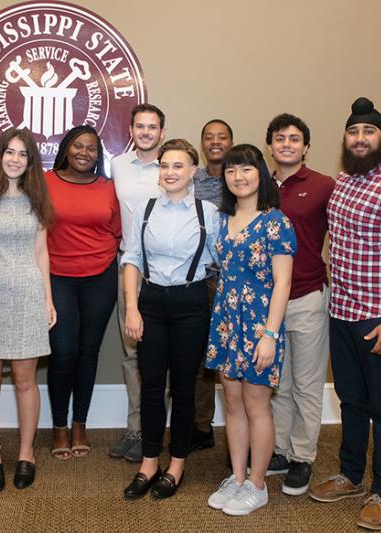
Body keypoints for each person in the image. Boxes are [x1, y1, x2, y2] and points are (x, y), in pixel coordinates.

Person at [309, 98, 381, 532]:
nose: (359, 139)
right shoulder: (344, 183)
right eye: (354, 132)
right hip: (342, 311)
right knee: (351, 401)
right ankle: (352, 476)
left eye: (368, 132)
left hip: (380, 319)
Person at [121, 139, 220, 500]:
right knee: (150, 388)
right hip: (150, 303)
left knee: (183, 389)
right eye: (164, 165)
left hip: (191, 302)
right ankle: (149, 463)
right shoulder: (146, 209)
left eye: (178, 166)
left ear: (193, 170)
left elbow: (225, 260)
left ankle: (176, 465)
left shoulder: (208, 213)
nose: (170, 172)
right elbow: (131, 259)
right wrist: (132, 307)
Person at [206, 144, 296, 516]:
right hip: (227, 320)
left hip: (260, 323)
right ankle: (238, 477)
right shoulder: (221, 220)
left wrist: (270, 335)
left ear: (260, 173)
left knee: (257, 404)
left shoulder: (276, 221)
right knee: (232, 403)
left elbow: (283, 283)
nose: (238, 177)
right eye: (231, 171)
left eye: (246, 169)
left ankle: (258, 484)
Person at [0, 128, 56, 492]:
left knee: (25, 381)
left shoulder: (37, 201)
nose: (15, 159)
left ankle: (25, 454)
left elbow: (41, 253)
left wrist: (48, 300)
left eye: (23, 154)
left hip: (26, 292)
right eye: (9, 152)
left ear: (30, 161)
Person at [265, 114, 334, 495]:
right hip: (269, 301)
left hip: (307, 296)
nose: (287, 144)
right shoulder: (259, 186)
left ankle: (302, 457)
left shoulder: (324, 186)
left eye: (294, 139)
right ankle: (278, 448)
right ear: (270, 146)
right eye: (280, 138)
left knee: (307, 383)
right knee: (279, 382)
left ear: (305, 146)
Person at [45, 125, 121, 460]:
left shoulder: (109, 187)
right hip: (56, 277)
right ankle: (59, 425)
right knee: (62, 352)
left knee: (88, 352)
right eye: (78, 146)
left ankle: (80, 424)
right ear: (66, 148)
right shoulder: (45, 182)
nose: (84, 153)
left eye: (91, 148)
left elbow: (118, 231)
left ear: (98, 154)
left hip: (100, 277)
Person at [109, 103, 166, 463]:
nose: (146, 132)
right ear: (131, 130)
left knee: (163, 356)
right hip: (128, 266)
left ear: (162, 131)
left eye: (153, 127)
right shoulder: (118, 166)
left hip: (166, 271)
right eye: (140, 126)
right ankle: (136, 428)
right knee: (132, 353)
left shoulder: (174, 165)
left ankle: (156, 428)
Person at [190, 118, 235, 452]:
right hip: (204, 278)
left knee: (234, 358)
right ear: (202, 143)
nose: (215, 142)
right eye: (209, 137)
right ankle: (201, 426)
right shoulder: (194, 181)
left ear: (231, 142)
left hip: (237, 281)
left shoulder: (242, 178)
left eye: (222, 137)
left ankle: (240, 436)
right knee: (201, 357)